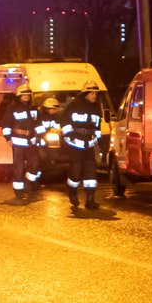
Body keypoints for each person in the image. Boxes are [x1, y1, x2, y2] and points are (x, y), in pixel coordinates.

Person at [61, 81, 103, 209]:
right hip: (75, 144)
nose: (94, 96)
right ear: (85, 93)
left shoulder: (96, 107)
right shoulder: (75, 105)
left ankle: (90, 199)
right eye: (92, 93)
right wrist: (70, 136)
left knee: (91, 173)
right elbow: (64, 121)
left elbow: (97, 126)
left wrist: (97, 140)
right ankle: (72, 192)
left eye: (96, 93)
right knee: (76, 171)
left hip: (89, 144)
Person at [0, 83, 43, 202]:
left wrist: (40, 136)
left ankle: (28, 183)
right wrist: (8, 138)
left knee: (34, 165)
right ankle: (18, 191)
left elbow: (39, 124)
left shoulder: (34, 108)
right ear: (19, 96)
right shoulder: (12, 108)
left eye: (28, 94)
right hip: (18, 142)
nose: (27, 96)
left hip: (32, 141)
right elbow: (5, 125)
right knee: (18, 167)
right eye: (24, 95)